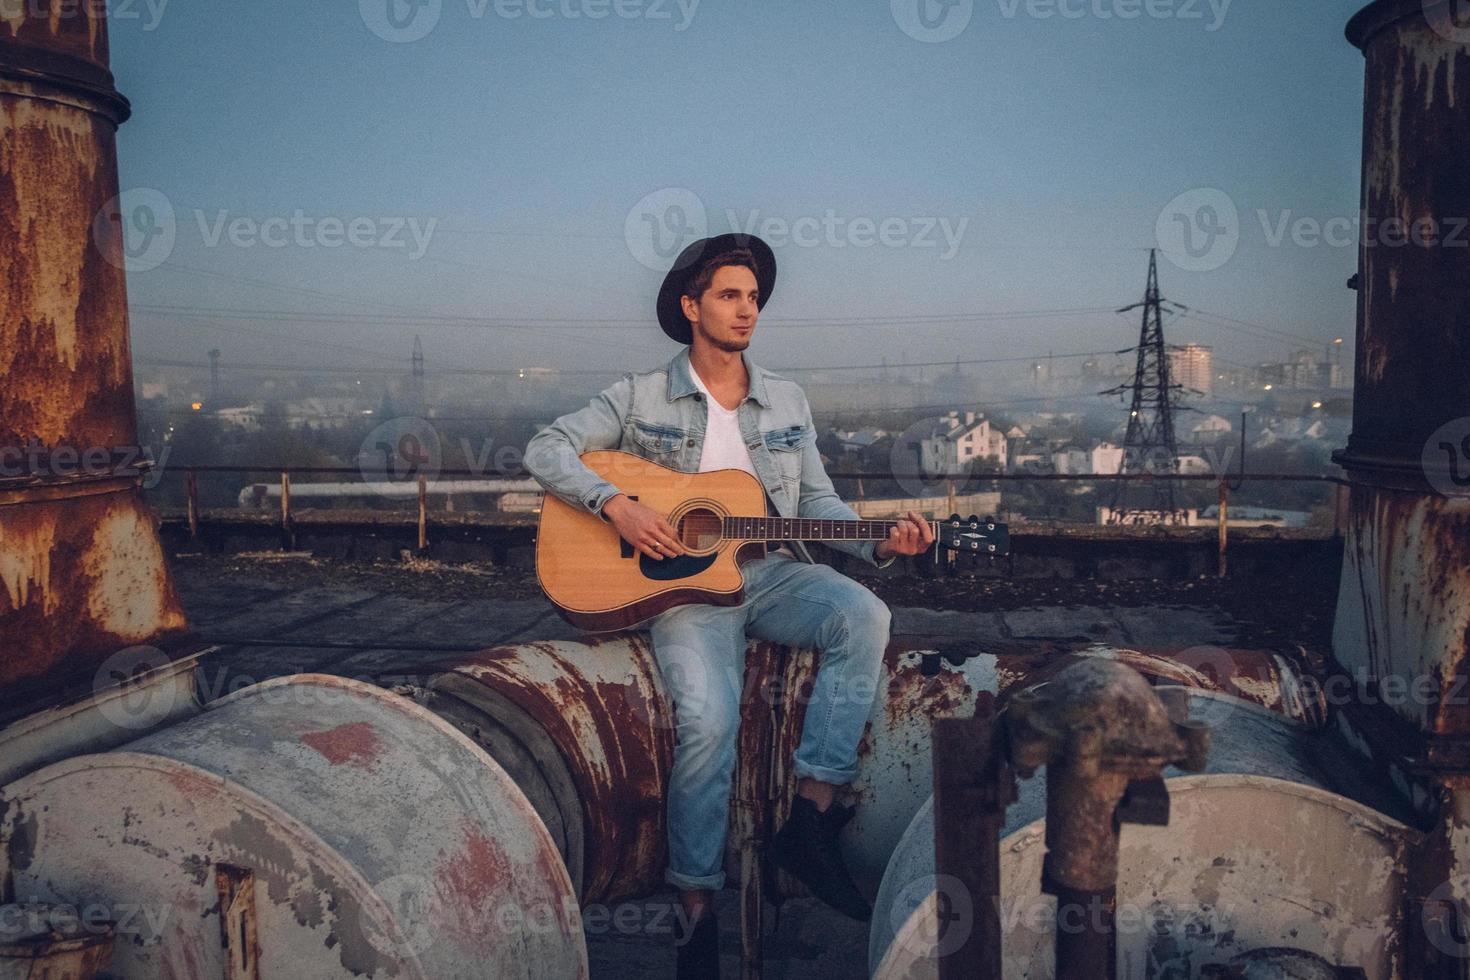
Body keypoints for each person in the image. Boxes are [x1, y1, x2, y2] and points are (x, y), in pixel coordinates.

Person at [524, 233, 933, 979]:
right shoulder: (640, 394)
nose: (747, 310)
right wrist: (613, 504)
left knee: (864, 615)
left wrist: (881, 543)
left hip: (771, 572)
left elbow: (815, 503)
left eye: (753, 297)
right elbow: (548, 448)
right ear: (691, 307)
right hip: (687, 590)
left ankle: (809, 819)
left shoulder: (786, 399)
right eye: (729, 295)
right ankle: (695, 914)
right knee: (709, 719)